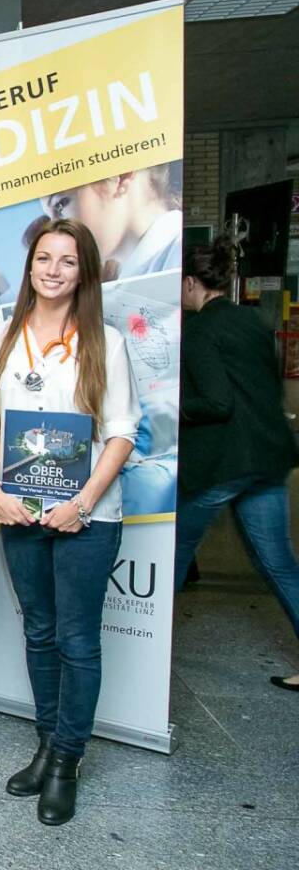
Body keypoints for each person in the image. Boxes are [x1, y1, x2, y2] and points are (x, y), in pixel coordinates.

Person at [0, 218, 141, 826]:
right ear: (31, 265)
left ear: (83, 271)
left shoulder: (107, 341)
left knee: (76, 639)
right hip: (19, 510)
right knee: (39, 632)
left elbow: (122, 430)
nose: (53, 270)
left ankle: (67, 760)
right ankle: (47, 743)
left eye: (68, 261)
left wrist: (84, 502)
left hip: (87, 517)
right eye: (45, 258)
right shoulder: (1, 336)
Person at [175, 240, 299, 693]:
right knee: (279, 563)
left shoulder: (200, 329)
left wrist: (175, 407)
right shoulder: (254, 319)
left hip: (225, 464)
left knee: (170, 557)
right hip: (268, 457)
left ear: (191, 282)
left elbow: (216, 402)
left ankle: (137, 661)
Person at [43, 162, 181, 279]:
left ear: (120, 176)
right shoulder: (129, 278)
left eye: (60, 204)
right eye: (49, 217)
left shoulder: (179, 255)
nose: (55, 232)